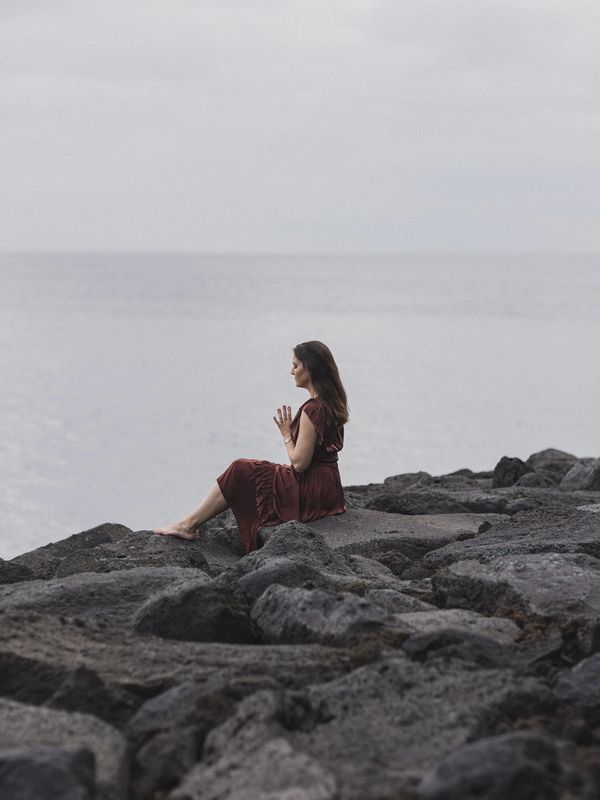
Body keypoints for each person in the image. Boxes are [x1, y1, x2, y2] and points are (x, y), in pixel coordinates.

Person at [153, 340, 348, 552]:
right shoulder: (332, 402)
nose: (291, 371)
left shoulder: (313, 410)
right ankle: (188, 523)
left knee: (240, 469)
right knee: (253, 469)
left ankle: (188, 526)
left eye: (296, 365)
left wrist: (285, 434)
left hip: (311, 491)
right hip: (329, 489)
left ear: (309, 368)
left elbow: (299, 463)